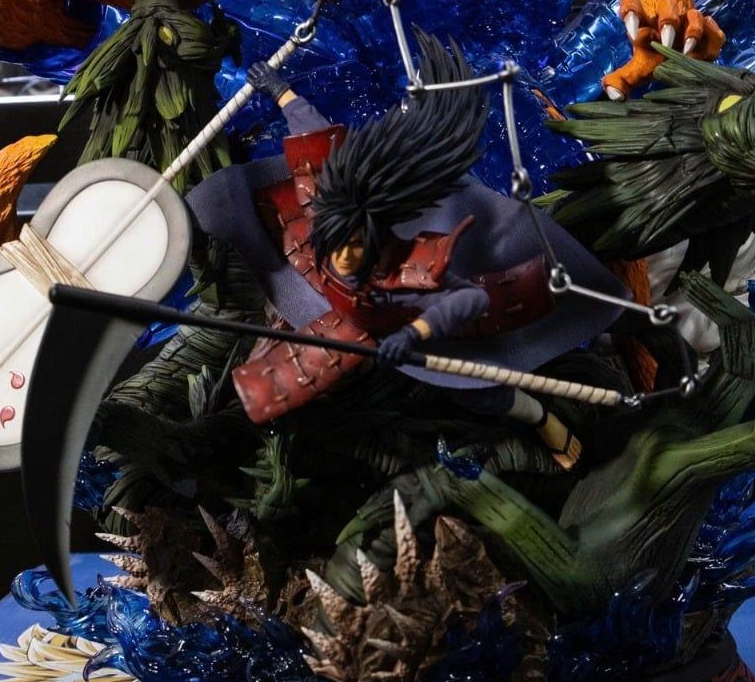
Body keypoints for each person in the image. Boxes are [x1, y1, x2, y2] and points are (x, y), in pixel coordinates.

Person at [188, 33, 630, 462]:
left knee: (478, 392)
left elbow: (471, 300)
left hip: (401, 321)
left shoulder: (411, 268)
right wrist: (279, 90)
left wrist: (414, 334)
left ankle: (540, 417)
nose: (344, 256)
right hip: (321, 290)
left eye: (353, 246)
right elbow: (315, 138)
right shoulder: (326, 209)